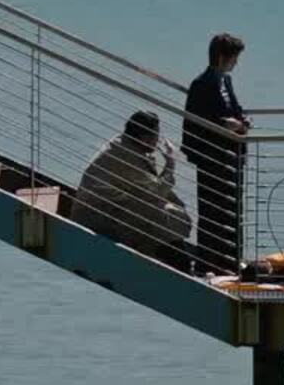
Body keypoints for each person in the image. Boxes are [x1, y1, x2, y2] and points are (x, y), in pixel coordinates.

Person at [74, 110, 194, 270]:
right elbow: (156, 191)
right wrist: (170, 163)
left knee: (165, 210)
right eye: (156, 136)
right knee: (161, 214)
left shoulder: (126, 144)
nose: (158, 141)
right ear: (144, 138)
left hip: (113, 208)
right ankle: (181, 265)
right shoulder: (126, 155)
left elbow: (151, 189)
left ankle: (178, 261)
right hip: (98, 217)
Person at [184, 33, 250, 274]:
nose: (236, 63)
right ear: (222, 57)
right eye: (234, 58)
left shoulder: (226, 81)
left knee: (232, 210)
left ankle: (231, 260)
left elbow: (234, 108)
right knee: (213, 209)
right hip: (212, 157)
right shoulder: (201, 84)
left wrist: (243, 121)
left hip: (231, 156)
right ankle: (210, 261)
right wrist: (224, 125)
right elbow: (197, 120)